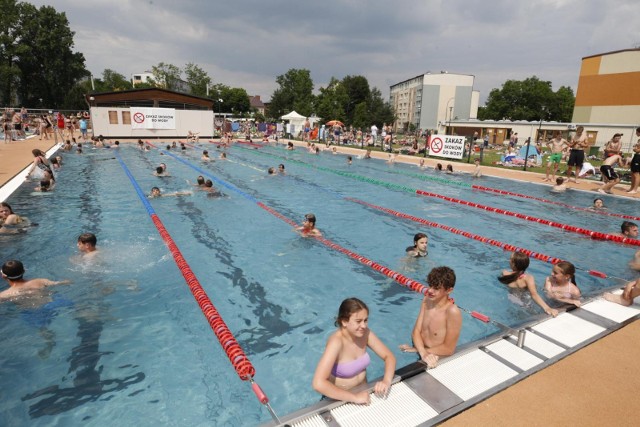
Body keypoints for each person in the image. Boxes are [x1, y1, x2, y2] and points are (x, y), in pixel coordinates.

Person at [312, 297, 396, 404]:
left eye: (365, 320)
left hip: (364, 390)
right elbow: (318, 383)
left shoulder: (365, 334)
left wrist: (386, 381)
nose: (363, 326)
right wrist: (354, 398)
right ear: (344, 321)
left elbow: (389, 356)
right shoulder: (336, 342)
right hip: (340, 398)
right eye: (358, 321)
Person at [399, 266, 462, 368]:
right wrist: (421, 352)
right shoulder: (427, 300)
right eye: (430, 286)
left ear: (449, 290)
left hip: (436, 357)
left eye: (436, 288)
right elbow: (416, 331)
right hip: (421, 351)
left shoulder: (452, 312)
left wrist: (417, 351)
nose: (430, 291)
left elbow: (448, 349)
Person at [499, 252, 558, 316]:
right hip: (524, 303)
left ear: (513, 264)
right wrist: (547, 308)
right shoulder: (528, 278)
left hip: (511, 299)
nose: (509, 261)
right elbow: (534, 294)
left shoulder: (504, 273)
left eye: (510, 259)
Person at [0, 260, 70, 301]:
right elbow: (63, 283)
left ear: (3, 276)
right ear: (24, 271)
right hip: (52, 301)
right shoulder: (40, 281)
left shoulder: (4, 295)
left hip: (33, 314)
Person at [627, 127, 640, 194]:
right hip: (636, 156)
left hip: (638, 157)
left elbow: (638, 150)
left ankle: (635, 189)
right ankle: (632, 188)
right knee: (632, 172)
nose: (636, 133)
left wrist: (635, 149)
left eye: (637, 132)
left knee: (636, 174)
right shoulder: (639, 140)